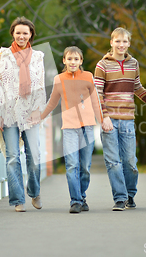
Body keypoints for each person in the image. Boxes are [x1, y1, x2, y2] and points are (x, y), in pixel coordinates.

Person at [0, 16, 46, 212]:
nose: (21, 36)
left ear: (31, 35)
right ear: (13, 34)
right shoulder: (4, 55)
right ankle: (18, 200)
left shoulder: (38, 57)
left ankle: (34, 192)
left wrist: (37, 110)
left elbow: (41, 85)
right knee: (12, 157)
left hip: (30, 111)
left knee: (33, 156)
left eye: (25, 33)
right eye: (18, 32)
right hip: (8, 111)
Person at [39, 46, 102, 214]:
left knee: (85, 167)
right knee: (72, 165)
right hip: (69, 129)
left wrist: (102, 121)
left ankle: (81, 196)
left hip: (87, 128)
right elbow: (53, 102)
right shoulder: (59, 79)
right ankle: (75, 201)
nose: (72, 62)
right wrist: (40, 116)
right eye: (69, 59)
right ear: (64, 61)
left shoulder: (88, 76)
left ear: (81, 61)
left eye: (76, 59)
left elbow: (95, 101)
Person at [94, 27, 146, 211]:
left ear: (129, 43)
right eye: (117, 41)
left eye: (124, 41)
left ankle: (130, 195)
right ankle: (119, 198)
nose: (121, 45)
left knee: (130, 162)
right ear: (111, 43)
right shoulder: (102, 65)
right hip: (109, 120)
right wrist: (104, 117)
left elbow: (137, 87)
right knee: (113, 162)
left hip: (127, 120)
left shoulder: (134, 63)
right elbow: (97, 93)